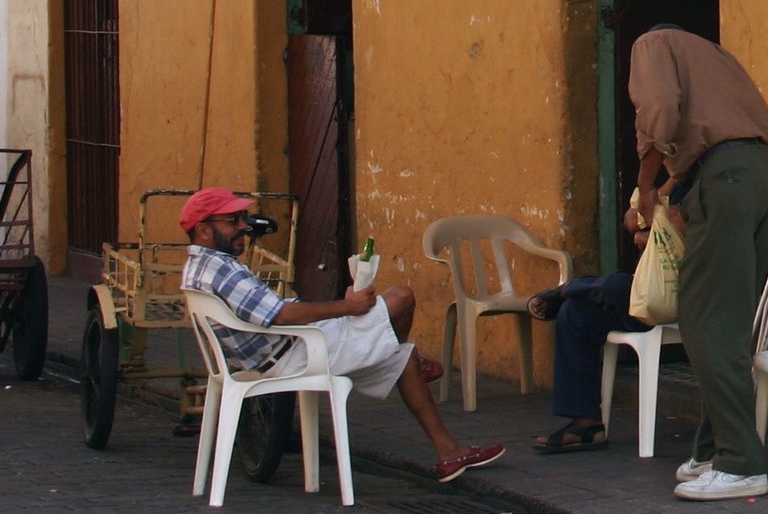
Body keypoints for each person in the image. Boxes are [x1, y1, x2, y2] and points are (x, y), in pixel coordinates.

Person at [178, 188, 503, 483]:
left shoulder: (199, 266)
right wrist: (347, 307)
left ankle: (448, 451)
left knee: (402, 360)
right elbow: (279, 315)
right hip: (295, 352)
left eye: (243, 218)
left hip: (284, 347)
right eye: (232, 221)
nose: (243, 226)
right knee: (401, 298)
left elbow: (273, 313)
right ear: (204, 230)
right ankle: (406, 358)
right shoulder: (221, 269)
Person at [627, 25, 768, 501]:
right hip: (758, 178)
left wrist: (646, 187)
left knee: (705, 321)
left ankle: (741, 463)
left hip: (725, 181)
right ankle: (711, 450)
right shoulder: (717, 57)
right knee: (725, 322)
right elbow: (764, 149)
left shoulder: (651, 45)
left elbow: (658, 111)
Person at [524, 269, 647, 455]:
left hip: (677, 297)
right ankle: (586, 424)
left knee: (616, 286)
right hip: (643, 301)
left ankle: (570, 288)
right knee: (575, 312)